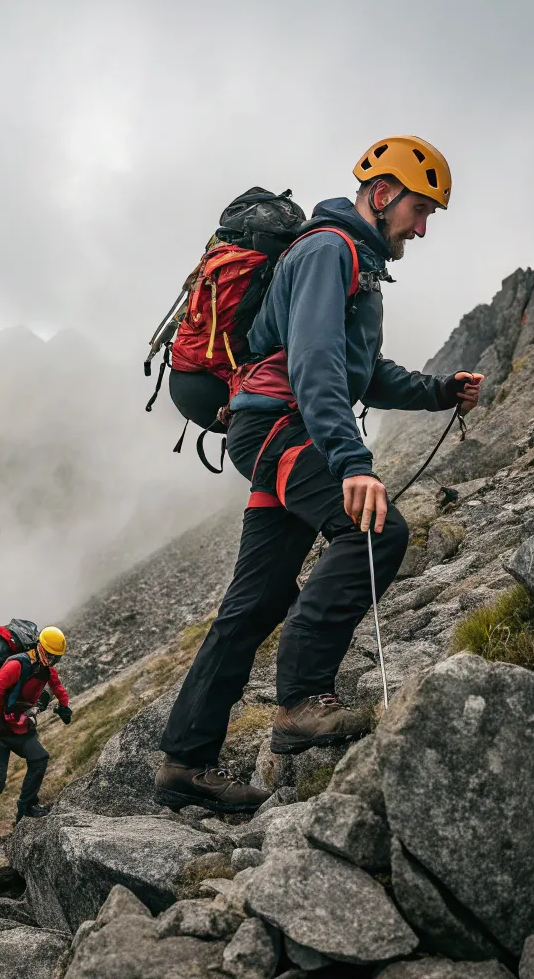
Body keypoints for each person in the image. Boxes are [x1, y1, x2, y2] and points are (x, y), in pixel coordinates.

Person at [157, 136, 484, 813]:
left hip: (272, 425)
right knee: (375, 529)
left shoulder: (354, 262)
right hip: (280, 425)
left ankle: (185, 762)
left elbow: (362, 371)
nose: (422, 228)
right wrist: (353, 464)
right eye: (419, 210)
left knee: (255, 603)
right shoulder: (329, 251)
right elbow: (314, 365)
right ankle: (303, 699)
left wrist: (437, 391)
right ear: (383, 193)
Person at [0, 626, 72, 850]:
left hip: (21, 726)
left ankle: (25, 809)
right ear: (40, 648)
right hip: (1, 730)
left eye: (57, 658)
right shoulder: (17, 664)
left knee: (39, 759)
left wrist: (64, 706)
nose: (53, 661)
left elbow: (57, 686)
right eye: (51, 656)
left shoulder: (45, 668)